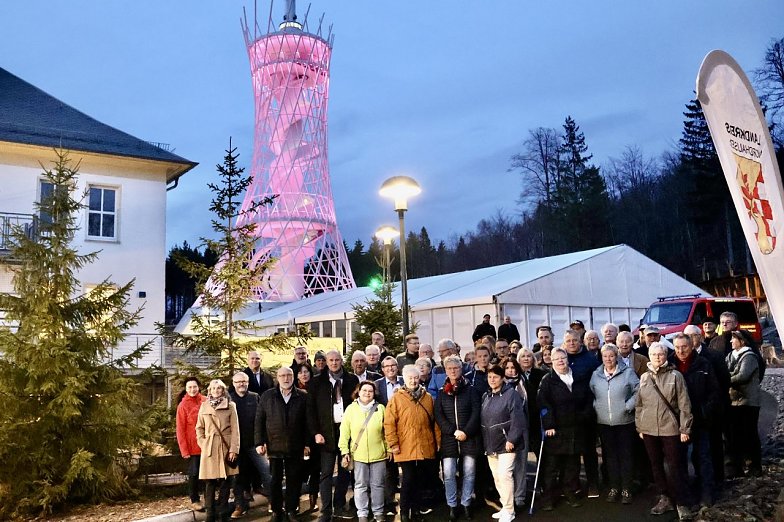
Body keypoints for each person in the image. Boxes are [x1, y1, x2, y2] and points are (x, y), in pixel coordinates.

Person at [635, 343, 693, 520]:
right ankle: (664, 497)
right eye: (653, 354)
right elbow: (639, 404)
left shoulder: (676, 376)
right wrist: (640, 427)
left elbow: (684, 405)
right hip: (649, 429)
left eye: (660, 354)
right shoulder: (644, 377)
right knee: (656, 465)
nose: (657, 357)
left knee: (675, 466)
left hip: (671, 429)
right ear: (649, 356)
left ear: (666, 355)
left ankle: (681, 502)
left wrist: (685, 428)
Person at [669, 333, 721, 506]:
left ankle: (707, 492)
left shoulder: (704, 364)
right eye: (677, 347)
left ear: (691, 346)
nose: (681, 350)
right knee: (679, 459)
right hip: (677, 421)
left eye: (684, 346)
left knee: (703, 457)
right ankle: (685, 495)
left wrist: (705, 410)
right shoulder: (670, 364)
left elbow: (714, 391)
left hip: (700, 418)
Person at [307, 350, 360, 521]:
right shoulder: (316, 382)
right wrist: (316, 433)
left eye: (337, 360)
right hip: (326, 433)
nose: (334, 363)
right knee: (326, 473)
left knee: (345, 472)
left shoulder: (352, 379)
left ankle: (339, 506)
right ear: (326, 362)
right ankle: (326, 510)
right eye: (331, 360)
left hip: (346, 432)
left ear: (342, 361)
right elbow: (310, 411)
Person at [537, 348, 592, 511]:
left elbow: (588, 399)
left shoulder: (578, 377)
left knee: (572, 464)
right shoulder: (547, 380)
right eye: (557, 359)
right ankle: (548, 497)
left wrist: (584, 416)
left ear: (568, 359)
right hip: (556, 429)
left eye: (563, 358)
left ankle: (569, 492)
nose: (560, 361)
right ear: (551, 362)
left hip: (576, 428)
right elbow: (543, 405)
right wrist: (549, 425)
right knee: (552, 466)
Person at [385, 365, 441, 522]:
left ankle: (416, 510)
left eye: (416, 377)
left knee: (420, 479)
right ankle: (404, 511)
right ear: (405, 379)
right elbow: (389, 423)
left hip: (425, 444)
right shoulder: (396, 398)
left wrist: (438, 441)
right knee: (408, 479)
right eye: (410, 378)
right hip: (405, 446)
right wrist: (393, 443)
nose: (413, 380)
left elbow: (434, 422)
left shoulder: (428, 397)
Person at [256, 367, 310, 522]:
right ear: (277, 378)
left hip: (296, 446)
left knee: (294, 480)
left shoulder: (302, 396)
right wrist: (259, 442)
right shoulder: (267, 396)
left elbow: (307, 423)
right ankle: (276, 510)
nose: (286, 379)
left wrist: (307, 444)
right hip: (274, 446)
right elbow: (259, 421)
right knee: (275, 481)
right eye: (282, 376)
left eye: (289, 375)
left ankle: (292, 510)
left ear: (293, 377)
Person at [589, 344, 639, 505]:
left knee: (626, 456)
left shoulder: (628, 373)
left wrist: (628, 406)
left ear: (616, 356)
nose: (608, 359)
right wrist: (596, 407)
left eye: (611, 356)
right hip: (604, 423)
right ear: (602, 358)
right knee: (609, 457)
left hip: (625, 422)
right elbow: (591, 393)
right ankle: (614, 487)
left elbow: (639, 391)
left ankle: (626, 489)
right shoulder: (596, 375)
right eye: (605, 356)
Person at [434, 355, 482, 521]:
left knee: (469, 472)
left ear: (461, 369)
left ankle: (466, 502)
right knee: (448, 473)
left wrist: (466, 432)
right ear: (446, 371)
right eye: (449, 368)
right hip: (449, 440)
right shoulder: (442, 393)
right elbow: (439, 416)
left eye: (456, 368)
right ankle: (452, 505)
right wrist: (452, 431)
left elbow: (476, 413)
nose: (453, 371)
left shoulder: (471, 390)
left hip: (469, 438)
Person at [481, 364, 527, 522]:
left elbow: (518, 419)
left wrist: (512, 439)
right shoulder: (486, 396)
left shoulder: (511, 394)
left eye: (495, 377)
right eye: (489, 377)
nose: (492, 380)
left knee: (505, 475)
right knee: (497, 477)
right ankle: (505, 506)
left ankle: (510, 511)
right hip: (491, 444)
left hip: (507, 444)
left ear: (502, 378)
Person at [339, 381, 388, 522]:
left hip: (379, 454)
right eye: (364, 390)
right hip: (358, 455)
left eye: (370, 391)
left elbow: (386, 431)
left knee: (378, 485)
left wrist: (389, 449)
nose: (367, 393)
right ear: (358, 392)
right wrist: (345, 451)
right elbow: (344, 432)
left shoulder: (380, 408)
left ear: (374, 393)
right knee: (360, 485)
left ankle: (378, 512)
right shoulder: (350, 409)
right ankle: (363, 514)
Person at [563, 329, 601, 497]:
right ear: (564, 343)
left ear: (581, 342)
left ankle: (593, 483)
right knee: (570, 453)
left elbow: (596, 386)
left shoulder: (591, 360)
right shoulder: (561, 359)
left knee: (589, 451)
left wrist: (589, 409)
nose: (572, 343)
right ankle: (573, 485)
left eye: (575, 340)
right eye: (568, 341)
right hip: (567, 415)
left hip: (587, 413)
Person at [196, 379, 239, 522]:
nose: (216, 391)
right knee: (210, 483)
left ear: (223, 390)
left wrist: (234, 449)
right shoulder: (204, 406)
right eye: (213, 389)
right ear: (209, 391)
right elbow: (199, 428)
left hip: (225, 446)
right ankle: (210, 514)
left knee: (226, 481)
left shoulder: (231, 406)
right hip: (210, 447)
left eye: (219, 388)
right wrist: (203, 443)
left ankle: (223, 512)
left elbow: (235, 430)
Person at [229, 372, 271, 519]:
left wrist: (263, 441)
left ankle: (274, 503)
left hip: (255, 444)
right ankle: (240, 505)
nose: (241, 384)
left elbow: (262, 420)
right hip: (236, 446)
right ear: (233, 383)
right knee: (237, 478)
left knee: (266, 472)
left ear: (248, 382)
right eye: (238, 381)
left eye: (244, 381)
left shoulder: (254, 397)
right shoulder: (229, 399)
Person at [726, 331, 763, 478]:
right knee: (736, 435)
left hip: (749, 401)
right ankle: (739, 465)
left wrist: (727, 378)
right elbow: (728, 370)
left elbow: (743, 376)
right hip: (734, 401)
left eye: (734, 339)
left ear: (742, 341)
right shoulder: (730, 356)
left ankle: (755, 465)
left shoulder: (750, 357)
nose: (731, 342)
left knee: (750, 434)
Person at [374, 357, 403, 515]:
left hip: (406, 431)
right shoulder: (377, 385)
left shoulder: (405, 381)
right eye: (387, 366)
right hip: (386, 431)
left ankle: (409, 502)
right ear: (382, 369)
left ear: (397, 367)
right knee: (389, 469)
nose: (390, 368)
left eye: (393, 365)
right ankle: (390, 503)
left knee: (408, 469)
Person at [501, 356, 530, 510]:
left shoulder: (523, 382)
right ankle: (507, 498)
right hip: (505, 429)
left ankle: (519, 497)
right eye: (507, 368)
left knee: (521, 464)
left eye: (513, 368)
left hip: (522, 427)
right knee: (506, 467)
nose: (510, 371)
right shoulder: (499, 385)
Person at [176, 377, 207, 512]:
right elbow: (180, 429)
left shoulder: (205, 401)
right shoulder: (183, 406)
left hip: (207, 444)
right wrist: (184, 450)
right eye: (189, 387)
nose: (192, 390)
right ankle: (194, 499)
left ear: (198, 387)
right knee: (194, 474)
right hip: (192, 446)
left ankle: (208, 497)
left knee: (208, 474)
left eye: (194, 387)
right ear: (186, 389)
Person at [295, 363, 320, 510]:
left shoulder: (315, 388)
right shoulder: (294, 391)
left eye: (306, 372)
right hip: (298, 437)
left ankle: (313, 500)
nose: (304, 374)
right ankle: (296, 501)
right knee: (298, 471)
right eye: (301, 372)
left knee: (315, 470)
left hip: (314, 435)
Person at [517, 347, 546, 457]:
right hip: (522, 416)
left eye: (528, 356)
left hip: (537, 416)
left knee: (539, 448)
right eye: (523, 356)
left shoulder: (541, 374)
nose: (526, 358)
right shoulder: (515, 376)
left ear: (533, 359)